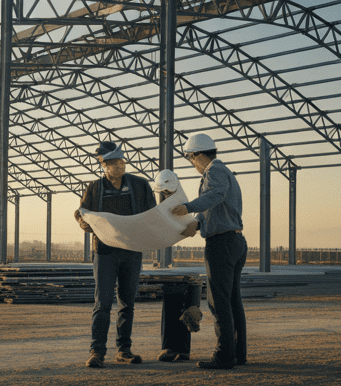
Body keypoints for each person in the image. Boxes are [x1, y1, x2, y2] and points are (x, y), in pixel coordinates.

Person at [74, 141, 157, 368]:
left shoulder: (139, 185)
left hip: (132, 250)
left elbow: (153, 211)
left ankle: (124, 350)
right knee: (102, 304)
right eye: (113, 163)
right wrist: (89, 225)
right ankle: (97, 351)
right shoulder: (95, 188)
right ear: (104, 165)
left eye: (121, 162)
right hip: (105, 252)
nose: (119, 166)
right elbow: (81, 212)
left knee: (127, 303)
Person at [172, 133, 247, 370]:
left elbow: (215, 195)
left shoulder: (214, 172)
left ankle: (224, 355)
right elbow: (216, 208)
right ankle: (237, 353)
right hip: (234, 241)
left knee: (219, 302)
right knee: (233, 301)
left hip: (221, 245)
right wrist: (197, 223)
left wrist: (188, 207)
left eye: (191, 159)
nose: (192, 164)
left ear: (196, 155)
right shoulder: (224, 172)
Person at [153, 169, 203, 363]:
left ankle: (180, 348)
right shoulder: (161, 206)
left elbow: (203, 214)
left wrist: (196, 223)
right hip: (169, 260)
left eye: (168, 192)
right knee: (174, 298)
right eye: (163, 192)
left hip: (188, 260)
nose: (166, 195)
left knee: (187, 304)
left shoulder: (195, 198)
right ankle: (172, 347)